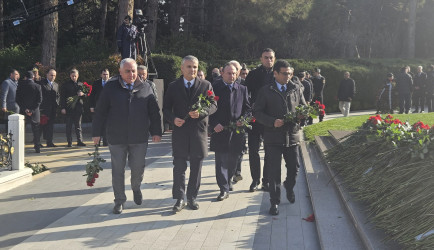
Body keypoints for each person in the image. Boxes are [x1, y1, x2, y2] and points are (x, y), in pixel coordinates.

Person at [92, 58, 162, 214]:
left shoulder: (146, 87)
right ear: (120, 72)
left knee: (138, 168)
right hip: (116, 137)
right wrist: (96, 133)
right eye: (128, 71)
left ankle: (136, 187)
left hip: (139, 137)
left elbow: (154, 112)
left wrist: (157, 131)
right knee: (118, 170)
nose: (131, 74)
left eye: (134, 71)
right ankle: (119, 200)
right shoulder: (110, 88)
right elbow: (100, 111)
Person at [163, 55, 217, 212]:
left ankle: (192, 197)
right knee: (179, 167)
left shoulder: (206, 84)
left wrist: (201, 113)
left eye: (195, 67)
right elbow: (165, 108)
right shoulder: (173, 86)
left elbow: (213, 105)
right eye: (189, 67)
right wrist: (173, 119)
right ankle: (179, 198)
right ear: (182, 68)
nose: (192, 70)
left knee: (196, 167)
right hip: (180, 132)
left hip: (198, 132)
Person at [253, 60, 306, 216]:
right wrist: (271, 122)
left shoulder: (296, 88)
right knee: (274, 172)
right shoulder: (265, 91)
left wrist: (303, 116)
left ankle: (289, 187)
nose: (288, 76)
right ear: (275, 73)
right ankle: (274, 202)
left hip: (292, 136)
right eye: (284, 73)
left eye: (290, 73)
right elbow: (257, 112)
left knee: (294, 169)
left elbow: (303, 107)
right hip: (273, 138)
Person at [209, 63, 250, 201]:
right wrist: (214, 124)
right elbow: (208, 109)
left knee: (233, 159)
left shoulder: (243, 89)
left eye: (234, 73)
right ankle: (223, 188)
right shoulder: (215, 88)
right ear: (222, 73)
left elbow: (248, 109)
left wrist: (243, 119)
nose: (231, 76)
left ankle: (229, 180)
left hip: (237, 131)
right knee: (220, 161)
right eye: (229, 73)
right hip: (220, 130)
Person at [245, 48, 275, 192]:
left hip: (271, 119)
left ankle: (266, 181)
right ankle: (255, 179)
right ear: (261, 59)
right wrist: (249, 108)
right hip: (255, 118)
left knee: (269, 151)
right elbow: (245, 94)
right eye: (266, 57)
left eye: (271, 57)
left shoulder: (278, 74)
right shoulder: (253, 74)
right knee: (253, 151)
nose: (268, 60)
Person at [16, 71, 42, 153]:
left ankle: (20, 146)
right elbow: (39, 100)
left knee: (21, 129)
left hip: (23, 110)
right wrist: (32, 110)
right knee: (36, 129)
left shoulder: (20, 86)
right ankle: (37, 147)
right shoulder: (38, 86)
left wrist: (25, 109)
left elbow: (18, 99)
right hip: (35, 111)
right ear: (33, 77)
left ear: (25, 77)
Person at [60, 69, 86, 147]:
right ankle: (69, 141)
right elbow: (63, 97)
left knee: (78, 125)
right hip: (69, 108)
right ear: (70, 76)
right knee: (69, 126)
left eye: (75, 76)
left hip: (78, 108)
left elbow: (86, 96)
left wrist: (83, 94)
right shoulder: (66, 85)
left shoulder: (81, 84)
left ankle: (80, 140)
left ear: (78, 76)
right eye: (72, 76)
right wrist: (63, 107)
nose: (74, 77)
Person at [39, 69, 59, 147]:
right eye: (51, 75)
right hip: (44, 109)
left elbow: (58, 95)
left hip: (52, 109)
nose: (53, 77)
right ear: (47, 75)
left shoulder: (56, 85)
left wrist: (57, 104)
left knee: (50, 126)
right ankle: (37, 142)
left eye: (54, 75)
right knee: (41, 126)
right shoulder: (42, 84)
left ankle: (49, 141)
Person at [89, 69, 110, 146]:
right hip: (98, 107)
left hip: (108, 108)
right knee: (97, 125)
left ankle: (106, 141)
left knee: (106, 125)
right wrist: (91, 106)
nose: (106, 76)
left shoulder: (111, 83)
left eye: (107, 74)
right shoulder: (96, 83)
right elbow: (92, 96)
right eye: (104, 74)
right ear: (101, 75)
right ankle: (97, 142)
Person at [1, 69, 20, 133]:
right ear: (11, 74)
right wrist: (4, 106)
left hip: (16, 106)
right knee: (9, 123)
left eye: (18, 74)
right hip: (9, 106)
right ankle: (8, 138)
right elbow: (4, 95)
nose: (18, 76)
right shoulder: (7, 82)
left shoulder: (17, 82)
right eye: (16, 74)